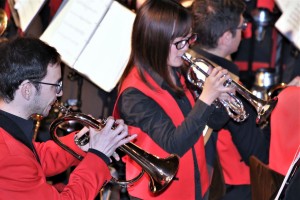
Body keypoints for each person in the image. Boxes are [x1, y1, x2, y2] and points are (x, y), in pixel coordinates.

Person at [112, 0, 236, 199]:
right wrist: (206, 97)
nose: (186, 48)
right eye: (179, 42)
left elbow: (215, 122)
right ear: (156, 42)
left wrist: (221, 97)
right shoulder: (133, 95)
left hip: (196, 185)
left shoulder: (178, 69)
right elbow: (174, 144)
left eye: (189, 39)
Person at [0, 37, 137, 199]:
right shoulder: (10, 157)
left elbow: (35, 158)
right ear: (27, 89)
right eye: (55, 85)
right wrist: (98, 156)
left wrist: (81, 143)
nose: (60, 93)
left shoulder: (9, 132)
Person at [191, 0, 271, 199]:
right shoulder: (228, 86)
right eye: (242, 26)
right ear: (226, 37)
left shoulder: (186, 63)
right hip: (229, 187)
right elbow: (258, 152)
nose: (244, 31)